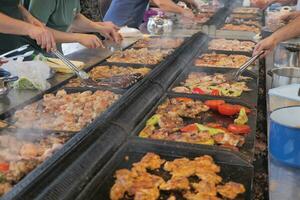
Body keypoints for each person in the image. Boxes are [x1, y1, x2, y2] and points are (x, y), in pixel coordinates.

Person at [28, 0, 122, 50]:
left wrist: (100, 28)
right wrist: (78, 37)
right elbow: (38, 31)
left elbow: (74, 17)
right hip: (33, 55)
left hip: (55, 52)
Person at [103, 0, 196, 28]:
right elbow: (162, 3)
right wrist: (183, 11)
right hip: (117, 26)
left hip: (125, 25)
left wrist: (189, 1)